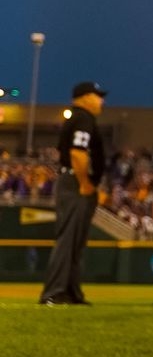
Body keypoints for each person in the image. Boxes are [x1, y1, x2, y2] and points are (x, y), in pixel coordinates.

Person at [39, 81, 108, 306]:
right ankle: (54, 292)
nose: (101, 101)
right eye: (97, 96)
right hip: (75, 182)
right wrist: (85, 183)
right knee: (69, 239)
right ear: (84, 97)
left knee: (76, 241)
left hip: (75, 181)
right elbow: (77, 153)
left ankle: (70, 291)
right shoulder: (82, 118)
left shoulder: (82, 118)